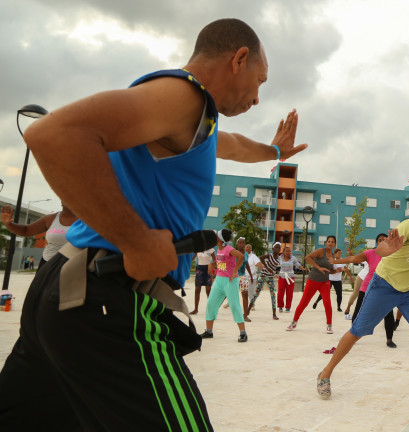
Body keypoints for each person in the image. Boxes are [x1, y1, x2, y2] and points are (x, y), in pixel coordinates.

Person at [0, 19, 307, 431]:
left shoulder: (197, 123)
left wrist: (274, 151)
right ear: (239, 59)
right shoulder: (185, 95)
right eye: (259, 81)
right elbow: (53, 134)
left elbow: (234, 145)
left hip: (65, 289)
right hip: (106, 299)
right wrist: (136, 240)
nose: (256, 97)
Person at [317, 188, 409, 409]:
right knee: (358, 330)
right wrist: (388, 248)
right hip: (385, 284)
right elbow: (381, 249)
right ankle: (325, 373)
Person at [333, 233, 398, 348]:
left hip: (385, 288)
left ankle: (389, 340)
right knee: (358, 311)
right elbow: (353, 258)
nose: (382, 241)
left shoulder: (392, 255)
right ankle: (353, 334)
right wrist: (336, 261)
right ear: (377, 242)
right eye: (380, 240)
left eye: (385, 239)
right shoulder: (370, 253)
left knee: (388, 314)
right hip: (367, 286)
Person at [201, 230, 248, 341]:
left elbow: (241, 257)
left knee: (234, 305)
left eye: (216, 236)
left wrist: (235, 271)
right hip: (219, 281)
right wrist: (211, 265)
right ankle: (209, 331)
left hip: (230, 281)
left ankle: (243, 333)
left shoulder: (229, 249)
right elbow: (220, 262)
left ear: (219, 239)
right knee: (211, 304)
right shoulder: (219, 250)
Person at [1, 204, 78, 269]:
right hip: (48, 263)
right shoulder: (50, 219)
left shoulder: (84, 218)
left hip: (75, 265)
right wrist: (9, 225)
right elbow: (26, 230)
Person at [287, 236, 338, 333]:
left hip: (325, 282)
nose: (330, 243)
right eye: (328, 241)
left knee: (327, 303)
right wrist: (319, 268)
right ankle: (294, 322)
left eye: (332, 242)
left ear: (335, 244)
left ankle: (329, 325)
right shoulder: (320, 251)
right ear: (326, 243)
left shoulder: (332, 255)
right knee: (304, 302)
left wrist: (335, 271)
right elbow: (307, 257)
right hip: (313, 280)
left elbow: (330, 270)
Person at [245, 242, 281, 321]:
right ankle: (247, 311)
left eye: (279, 248)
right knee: (256, 294)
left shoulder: (278, 258)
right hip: (263, 276)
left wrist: (274, 271)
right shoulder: (270, 255)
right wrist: (267, 267)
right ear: (273, 248)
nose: (278, 249)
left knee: (273, 295)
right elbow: (261, 257)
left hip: (271, 278)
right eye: (276, 247)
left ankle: (274, 314)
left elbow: (276, 267)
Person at [277, 245, 304, 312]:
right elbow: (274, 263)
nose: (288, 252)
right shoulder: (279, 258)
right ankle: (280, 306)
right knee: (280, 293)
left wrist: (302, 268)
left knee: (289, 293)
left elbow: (297, 264)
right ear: (283, 252)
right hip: (282, 276)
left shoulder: (293, 258)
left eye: (289, 251)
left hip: (290, 277)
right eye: (286, 251)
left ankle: (288, 307)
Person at [234, 237, 255, 322]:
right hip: (234, 276)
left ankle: (245, 316)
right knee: (225, 295)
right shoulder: (234, 253)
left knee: (245, 294)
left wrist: (250, 275)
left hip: (242, 276)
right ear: (237, 244)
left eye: (243, 243)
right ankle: (215, 309)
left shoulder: (246, 254)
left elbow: (246, 264)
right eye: (240, 243)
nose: (242, 244)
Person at [191, 246, 216, 314]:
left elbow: (215, 261)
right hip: (200, 270)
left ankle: (211, 310)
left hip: (208, 270)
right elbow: (192, 258)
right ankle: (196, 309)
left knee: (208, 290)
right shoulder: (198, 248)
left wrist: (215, 272)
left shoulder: (211, 250)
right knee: (197, 289)